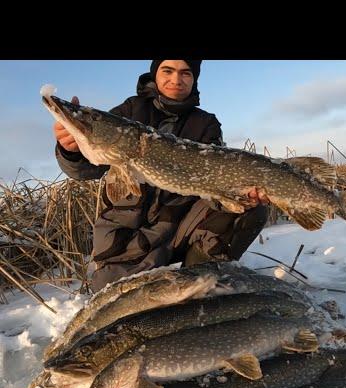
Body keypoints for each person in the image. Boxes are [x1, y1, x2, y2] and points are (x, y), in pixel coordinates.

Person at [54, 60, 269, 292]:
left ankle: (198, 273)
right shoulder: (130, 111)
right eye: (168, 70)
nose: (176, 80)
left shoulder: (205, 124)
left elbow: (214, 186)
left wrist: (242, 196)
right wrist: (70, 149)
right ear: (155, 73)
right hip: (128, 240)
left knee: (250, 209)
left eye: (185, 73)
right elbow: (86, 168)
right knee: (118, 302)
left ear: (194, 78)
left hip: (181, 230)